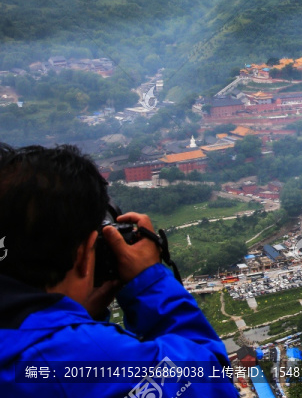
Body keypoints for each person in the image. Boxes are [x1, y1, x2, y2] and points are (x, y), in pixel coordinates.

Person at [0, 144, 239, 397]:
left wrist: (76, 319)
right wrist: (150, 281)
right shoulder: (80, 358)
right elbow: (211, 381)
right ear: (84, 254)